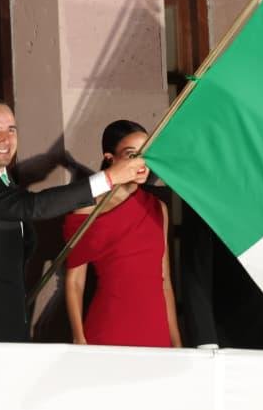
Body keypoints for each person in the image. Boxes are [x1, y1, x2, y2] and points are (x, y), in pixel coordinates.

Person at [0, 96, 148, 342]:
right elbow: (33, 206)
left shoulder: (0, 178)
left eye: (11, 130)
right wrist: (107, 178)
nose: (5, 139)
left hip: (5, 321)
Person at [64, 120, 181, 348]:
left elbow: (164, 282)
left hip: (156, 331)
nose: (141, 164)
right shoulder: (87, 210)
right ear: (110, 157)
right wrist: (79, 340)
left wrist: (176, 341)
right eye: (131, 155)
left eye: (146, 154)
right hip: (110, 327)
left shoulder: (159, 208)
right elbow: (75, 282)